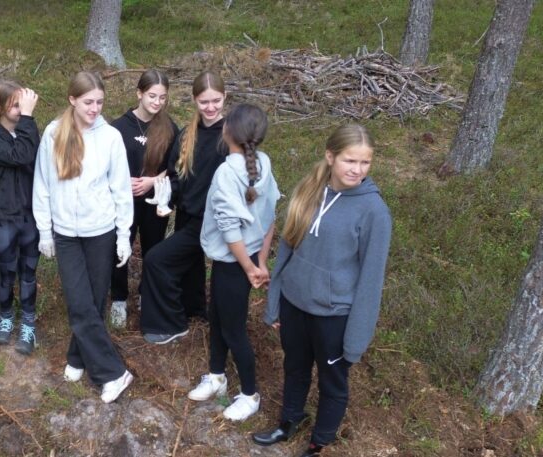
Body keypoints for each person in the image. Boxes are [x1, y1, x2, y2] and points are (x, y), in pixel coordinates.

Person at [251, 123, 391, 456]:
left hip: (334, 315)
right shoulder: (309, 190)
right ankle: (289, 422)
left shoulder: (374, 212)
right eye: (349, 161)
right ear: (331, 157)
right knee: (295, 368)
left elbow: (372, 280)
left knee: (333, 383)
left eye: (364, 163)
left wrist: (355, 341)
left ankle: (319, 442)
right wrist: (274, 303)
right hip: (295, 305)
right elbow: (286, 251)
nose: (357, 170)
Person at [33, 71, 134, 403]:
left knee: (92, 301)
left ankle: (79, 357)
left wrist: (123, 236)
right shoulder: (53, 133)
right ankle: (114, 373)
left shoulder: (110, 137)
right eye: (88, 102)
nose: (95, 108)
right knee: (79, 303)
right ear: (72, 100)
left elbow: (121, 190)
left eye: (100, 102)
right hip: (65, 234)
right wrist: (45, 230)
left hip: (101, 231)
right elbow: (43, 185)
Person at [189, 104, 278, 423]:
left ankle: (250, 394)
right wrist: (261, 261)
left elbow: (229, 229)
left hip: (234, 262)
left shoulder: (227, 172)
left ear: (228, 132)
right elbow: (270, 218)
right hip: (247, 258)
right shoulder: (263, 162)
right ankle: (216, 376)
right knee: (217, 316)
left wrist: (250, 267)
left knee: (233, 329)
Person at [139, 70, 227, 344]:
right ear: (194, 101)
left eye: (216, 101)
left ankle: (171, 323)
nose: (210, 107)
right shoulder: (187, 134)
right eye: (204, 102)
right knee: (190, 266)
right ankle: (193, 309)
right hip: (188, 214)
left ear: (225, 98)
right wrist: (166, 199)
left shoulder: (232, 134)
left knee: (156, 260)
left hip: (213, 220)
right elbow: (177, 176)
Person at [0, 80, 42, 355]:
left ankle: (28, 323)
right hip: (3, 216)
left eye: (21, 103)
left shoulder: (29, 128)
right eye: (15, 105)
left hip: (29, 215)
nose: (21, 109)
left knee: (28, 272)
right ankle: (5, 317)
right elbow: (19, 155)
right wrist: (27, 117)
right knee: (6, 272)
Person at [108, 69, 178, 328]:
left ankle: (146, 294)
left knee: (153, 250)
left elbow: (175, 166)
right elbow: (107, 164)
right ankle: (118, 298)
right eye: (152, 96)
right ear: (139, 93)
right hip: (123, 202)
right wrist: (123, 181)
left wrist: (152, 181)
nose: (157, 102)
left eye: (162, 97)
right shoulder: (118, 127)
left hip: (153, 202)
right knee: (119, 249)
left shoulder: (169, 127)